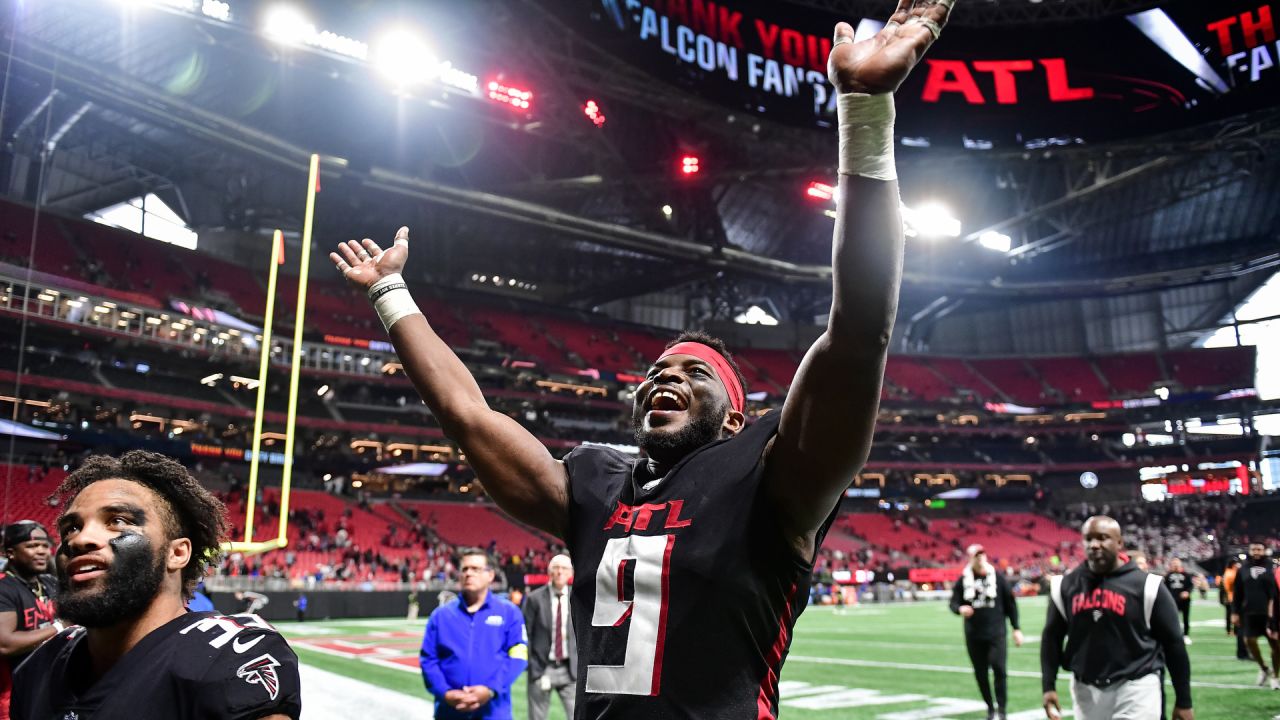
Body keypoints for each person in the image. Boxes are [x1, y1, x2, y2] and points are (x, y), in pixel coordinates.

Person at [330, 1, 954, 714]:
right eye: (657, 371)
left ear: (733, 419)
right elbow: (468, 415)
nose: (665, 378)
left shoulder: (771, 477)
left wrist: (866, 111)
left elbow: (859, 328)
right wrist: (389, 293)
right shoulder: (596, 485)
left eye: (694, 373)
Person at [10, 451, 302, 719]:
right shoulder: (40, 666)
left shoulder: (224, 659)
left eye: (118, 521)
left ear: (177, 553)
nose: (79, 539)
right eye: (70, 527)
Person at [1040, 516, 1192, 720]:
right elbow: (1051, 638)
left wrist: (1184, 700)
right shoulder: (1065, 586)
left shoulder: (1148, 586)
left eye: (1102, 538)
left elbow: (1174, 643)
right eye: (1088, 539)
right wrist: (1048, 686)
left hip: (1136, 686)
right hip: (1086, 690)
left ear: (1119, 542)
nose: (1094, 545)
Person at [419, 550, 527, 719]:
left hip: (494, 712)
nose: (469, 573)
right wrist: (445, 693)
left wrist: (491, 689)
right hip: (449, 712)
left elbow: (518, 655)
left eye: (476, 569)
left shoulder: (509, 612)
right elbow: (428, 659)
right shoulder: (441, 616)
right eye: (464, 569)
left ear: (490, 575)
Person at [949, 544, 1022, 720]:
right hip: (974, 634)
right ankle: (990, 707)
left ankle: (1002, 709)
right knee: (980, 673)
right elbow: (953, 603)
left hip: (996, 633)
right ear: (970, 558)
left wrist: (1016, 628)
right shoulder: (963, 580)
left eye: (982, 554)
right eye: (976, 555)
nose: (980, 558)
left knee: (999, 669)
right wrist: (960, 609)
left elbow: (1010, 604)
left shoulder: (997, 577)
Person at [0, 521, 60, 718]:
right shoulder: (4, 588)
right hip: (11, 696)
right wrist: (59, 627)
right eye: (32, 546)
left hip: (45, 688)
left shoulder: (49, 583)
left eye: (44, 546)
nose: (42, 551)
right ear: (11, 552)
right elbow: (5, 644)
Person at [523, 554, 577, 720]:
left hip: (571, 670)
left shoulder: (577, 598)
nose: (560, 572)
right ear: (549, 572)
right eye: (556, 568)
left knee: (578, 715)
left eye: (564, 568)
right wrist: (533, 667)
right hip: (542, 668)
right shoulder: (534, 599)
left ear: (570, 573)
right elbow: (526, 635)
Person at [1230, 542, 1280, 689]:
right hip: (1249, 613)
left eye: (1259, 549)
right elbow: (1237, 592)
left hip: (1270, 613)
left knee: (1276, 646)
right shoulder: (1243, 568)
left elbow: (1276, 592)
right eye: (1254, 549)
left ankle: (1276, 676)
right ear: (1250, 551)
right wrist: (1234, 612)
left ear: (1264, 550)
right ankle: (1264, 668)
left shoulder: (1272, 567)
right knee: (1249, 641)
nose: (1256, 552)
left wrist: (1275, 614)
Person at [1163, 558, 1193, 645]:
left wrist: (1187, 592)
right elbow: (1165, 587)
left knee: (1186, 618)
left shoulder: (1186, 575)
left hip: (1185, 601)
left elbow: (1190, 586)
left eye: (1177, 564)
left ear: (1180, 564)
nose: (1176, 565)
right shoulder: (1168, 575)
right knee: (1172, 619)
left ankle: (1186, 635)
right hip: (1172, 601)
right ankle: (1174, 635)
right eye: (1174, 564)